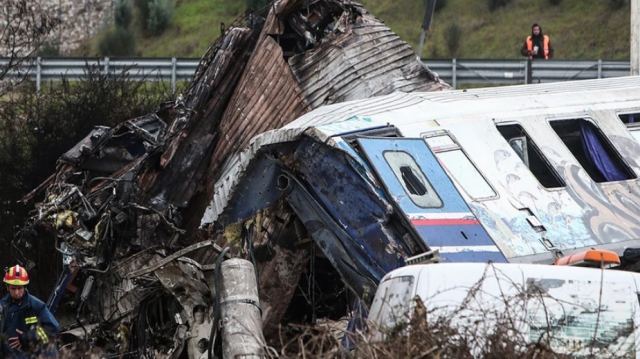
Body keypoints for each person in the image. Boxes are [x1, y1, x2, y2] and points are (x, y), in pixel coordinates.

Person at [0, 265, 60, 358]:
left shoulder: (36, 306)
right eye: (13, 288)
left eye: (19, 288)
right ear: (7, 287)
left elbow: (53, 328)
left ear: (25, 287)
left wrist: (28, 337)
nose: (16, 292)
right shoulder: (2, 306)